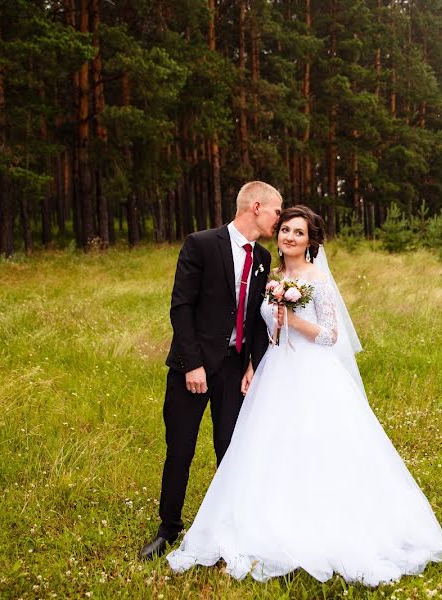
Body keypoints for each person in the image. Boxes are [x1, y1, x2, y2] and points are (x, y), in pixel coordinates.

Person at [165, 205, 442, 585]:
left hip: (311, 373)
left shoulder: (316, 278)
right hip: (273, 371)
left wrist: (294, 318)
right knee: (265, 447)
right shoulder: (270, 271)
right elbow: (256, 325)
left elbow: (332, 335)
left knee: (315, 444)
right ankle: (258, 519)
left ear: (310, 241)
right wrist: (253, 362)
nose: (289, 237)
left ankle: (321, 523)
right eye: (285, 230)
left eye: (299, 233)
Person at [138, 181, 283, 561]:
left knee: (231, 452)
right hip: (194, 368)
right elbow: (181, 307)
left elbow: (252, 318)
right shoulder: (201, 243)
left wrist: (253, 361)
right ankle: (168, 529)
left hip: (234, 370)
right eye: (276, 212)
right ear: (255, 206)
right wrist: (193, 364)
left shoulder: (264, 257)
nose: (279, 219)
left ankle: (227, 529)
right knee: (180, 450)